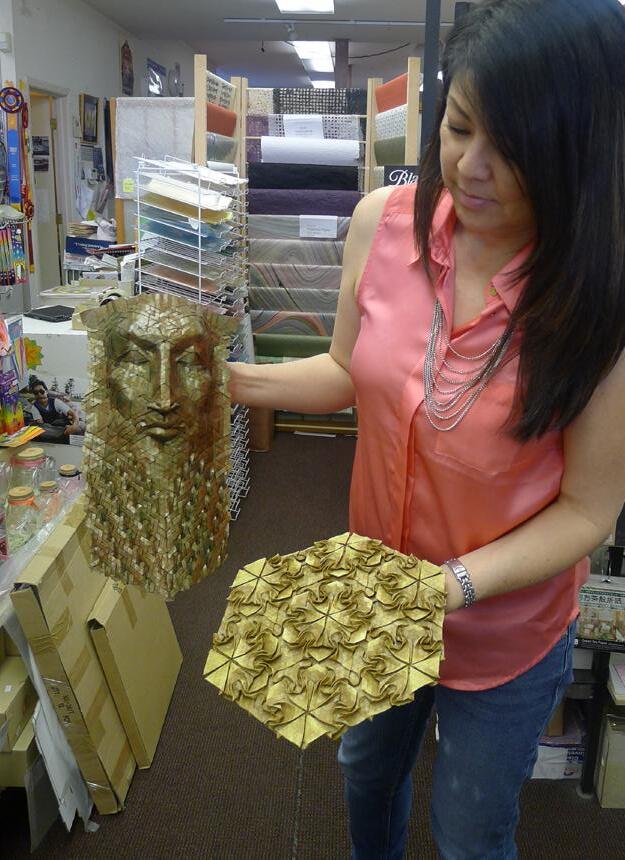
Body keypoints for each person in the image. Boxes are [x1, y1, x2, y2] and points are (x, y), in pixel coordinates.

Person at [230, 0, 625, 856]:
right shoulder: (383, 223)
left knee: (469, 830)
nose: (471, 168)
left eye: (510, 148)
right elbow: (346, 371)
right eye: (458, 128)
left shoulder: (595, 300)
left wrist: (448, 587)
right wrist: (229, 381)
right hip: (374, 590)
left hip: (504, 630)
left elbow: (588, 510)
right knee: (366, 776)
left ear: (572, 153)